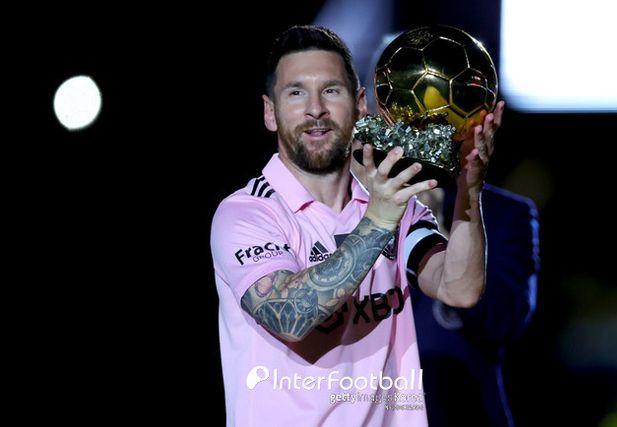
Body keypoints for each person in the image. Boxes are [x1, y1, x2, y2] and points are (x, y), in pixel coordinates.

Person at [210, 25, 503, 426]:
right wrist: (378, 221)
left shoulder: (394, 204)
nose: (315, 109)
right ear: (269, 112)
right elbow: (287, 316)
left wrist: (470, 188)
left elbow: (460, 288)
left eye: (331, 90)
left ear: (361, 103)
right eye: (296, 93)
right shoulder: (247, 213)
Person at [411, 185, 539, 427]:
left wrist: (437, 234)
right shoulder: (347, 205)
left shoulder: (501, 212)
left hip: (458, 414)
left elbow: (502, 320)